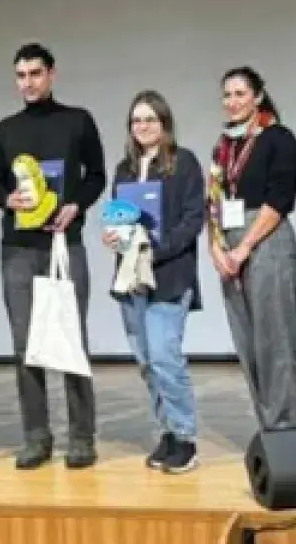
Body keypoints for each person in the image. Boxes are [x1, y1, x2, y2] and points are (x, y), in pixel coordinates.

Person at [0, 43, 106, 470]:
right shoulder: (5, 129)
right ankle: (36, 437)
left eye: (35, 73)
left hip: (64, 245)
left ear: (51, 74)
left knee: (72, 340)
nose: (28, 82)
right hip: (19, 249)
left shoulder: (77, 121)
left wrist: (76, 206)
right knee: (25, 347)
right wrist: (8, 199)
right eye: (21, 75)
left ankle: (81, 437)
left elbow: (96, 175)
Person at [102, 90, 205, 473]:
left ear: (164, 123)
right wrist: (112, 237)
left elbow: (194, 219)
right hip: (131, 279)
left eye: (150, 119)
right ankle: (168, 431)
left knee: (165, 357)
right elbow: (116, 218)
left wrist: (155, 248)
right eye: (136, 121)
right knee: (147, 362)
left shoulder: (184, 163)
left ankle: (185, 437)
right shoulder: (124, 169)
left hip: (169, 274)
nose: (143, 126)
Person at [206, 66, 296, 431]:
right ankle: (268, 426)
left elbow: (281, 199)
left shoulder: (278, 138)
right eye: (227, 95)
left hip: (266, 240)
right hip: (230, 245)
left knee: (276, 342)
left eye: (240, 94)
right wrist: (216, 248)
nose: (232, 102)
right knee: (247, 342)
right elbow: (213, 201)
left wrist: (244, 247)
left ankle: (290, 430)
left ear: (258, 96)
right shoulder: (223, 146)